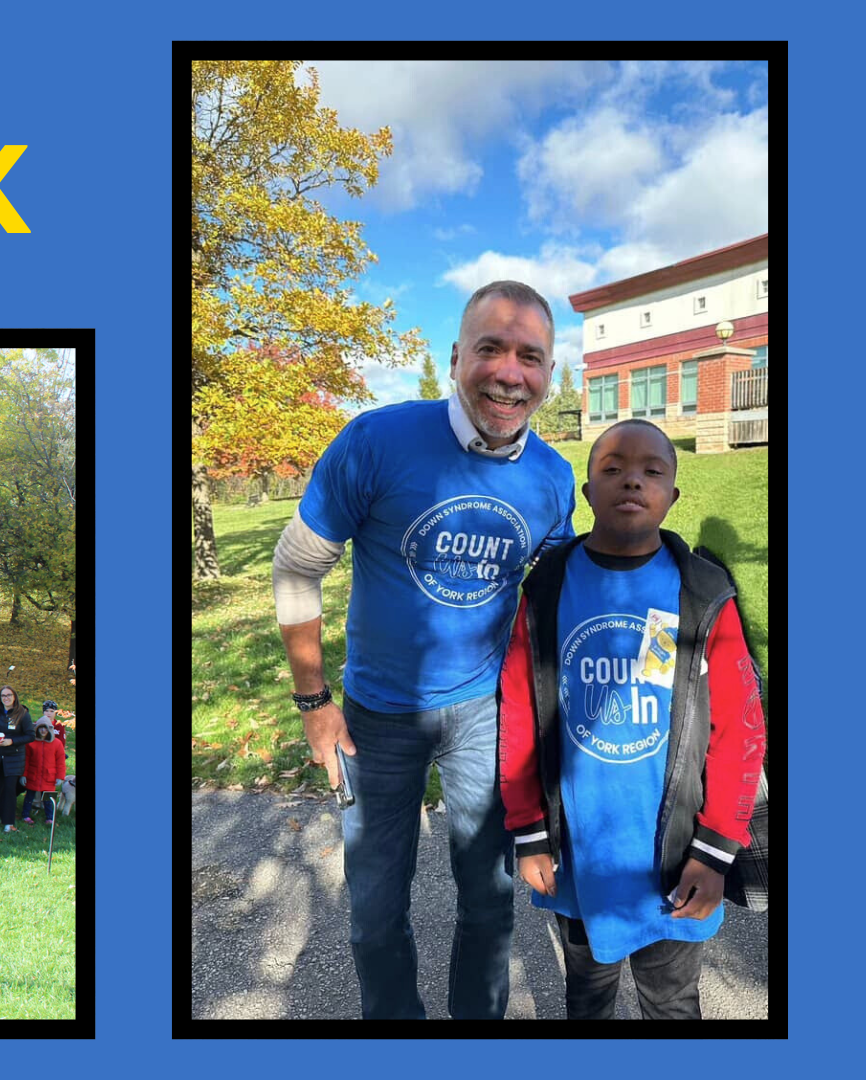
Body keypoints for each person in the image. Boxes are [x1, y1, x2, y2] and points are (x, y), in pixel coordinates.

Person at [273, 280, 576, 1020]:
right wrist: (314, 703)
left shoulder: (553, 478)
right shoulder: (377, 441)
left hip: (486, 715)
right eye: (492, 349)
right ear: (455, 357)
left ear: (548, 372)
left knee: (490, 903)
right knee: (374, 913)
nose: (510, 372)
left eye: (530, 357)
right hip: (374, 716)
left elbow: (560, 596)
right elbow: (296, 565)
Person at [497, 420, 766, 1020]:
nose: (632, 481)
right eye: (612, 469)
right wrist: (529, 828)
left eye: (652, 471)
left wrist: (717, 846)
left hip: (675, 858)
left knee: (671, 1002)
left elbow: (741, 728)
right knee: (587, 998)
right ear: (588, 493)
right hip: (579, 851)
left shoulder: (701, 593)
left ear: (673, 496)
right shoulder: (547, 588)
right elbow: (517, 710)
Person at [0, 686, 36, 832]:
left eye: (9, 695)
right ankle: (0, 815)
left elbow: (30, 735)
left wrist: (11, 741)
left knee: (9, 789)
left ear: (14, 697)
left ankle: (9, 822)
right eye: (3, 695)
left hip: (14, 757)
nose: (6, 698)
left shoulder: (23, 714)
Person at [22, 706, 67, 826]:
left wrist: (60, 776)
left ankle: (50, 818)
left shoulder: (57, 744)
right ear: (37, 729)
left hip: (49, 777)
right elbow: (26, 760)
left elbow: (61, 761)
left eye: (45, 729)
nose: (43, 731)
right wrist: (24, 775)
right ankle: (25, 815)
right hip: (33, 775)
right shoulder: (31, 743)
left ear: (49, 730)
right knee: (29, 797)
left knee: (48, 799)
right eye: (40, 729)